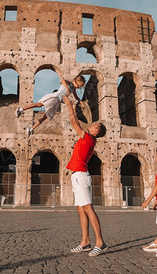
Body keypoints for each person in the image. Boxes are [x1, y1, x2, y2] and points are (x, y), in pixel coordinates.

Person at [62, 95, 107, 257]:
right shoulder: (88, 138)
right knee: (81, 210)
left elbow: (74, 123)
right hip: (77, 176)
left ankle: (100, 242)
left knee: (88, 209)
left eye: (96, 125)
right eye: (95, 123)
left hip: (81, 176)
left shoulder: (88, 138)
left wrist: (69, 105)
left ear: (96, 131)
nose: (94, 124)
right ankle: (85, 242)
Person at [16, 75, 85, 137]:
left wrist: (81, 102)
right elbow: (62, 80)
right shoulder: (69, 83)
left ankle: (31, 129)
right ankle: (21, 109)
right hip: (55, 97)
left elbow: (76, 97)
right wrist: (67, 89)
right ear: (76, 81)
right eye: (79, 85)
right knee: (39, 104)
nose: (79, 87)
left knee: (45, 116)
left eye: (80, 86)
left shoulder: (73, 89)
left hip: (57, 103)